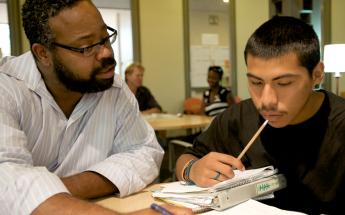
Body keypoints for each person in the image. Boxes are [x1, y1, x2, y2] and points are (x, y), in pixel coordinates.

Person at [0, 0, 192, 214]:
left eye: (105, 38)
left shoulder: (113, 88)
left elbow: (145, 152)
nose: (106, 53)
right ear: (43, 54)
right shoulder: (6, 90)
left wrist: (53, 190)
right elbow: (7, 181)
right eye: (86, 47)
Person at [175, 16, 345, 214]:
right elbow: (187, 157)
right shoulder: (237, 118)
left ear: (317, 74)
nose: (266, 101)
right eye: (256, 83)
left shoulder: (339, 125)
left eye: (283, 84)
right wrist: (192, 169)